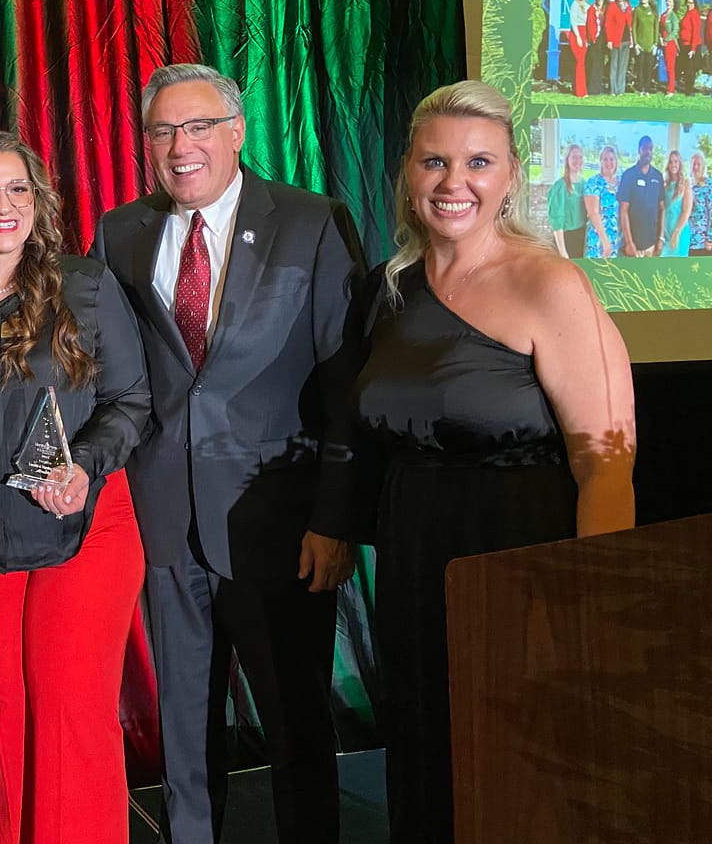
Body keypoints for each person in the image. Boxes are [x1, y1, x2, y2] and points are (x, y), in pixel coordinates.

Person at [93, 63, 368, 844]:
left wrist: (335, 519)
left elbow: (344, 380)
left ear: (237, 132)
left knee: (296, 727)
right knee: (183, 730)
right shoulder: (120, 232)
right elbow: (114, 375)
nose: (181, 146)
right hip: (164, 522)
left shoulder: (311, 222)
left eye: (199, 126)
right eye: (162, 131)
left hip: (282, 526)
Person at [356, 80, 635, 844]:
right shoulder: (394, 289)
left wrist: (592, 609)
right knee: (427, 748)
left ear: (512, 176)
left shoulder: (551, 284)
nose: (455, 182)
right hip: (415, 559)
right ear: (408, 174)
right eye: (434, 161)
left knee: (518, 766)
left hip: (518, 561)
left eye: (479, 162)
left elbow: (606, 467)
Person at [0, 131, 152, 844]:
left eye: (18, 189)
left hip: (85, 528)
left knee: (66, 707)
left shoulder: (84, 285)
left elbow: (130, 401)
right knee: (5, 712)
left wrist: (82, 468)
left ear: (39, 201)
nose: (4, 205)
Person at [617, 134, 665, 257]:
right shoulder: (629, 175)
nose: (648, 152)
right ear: (639, 150)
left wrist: (660, 238)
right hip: (633, 246)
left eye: (650, 148)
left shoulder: (657, 176)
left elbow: (662, 209)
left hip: (652, 246)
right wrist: (629, 242)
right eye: (644, 148)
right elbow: (623, 211)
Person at [547, 143, 587, 259]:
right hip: (564, 239)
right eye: (574, 157)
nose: (577, 160)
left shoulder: (584, 184)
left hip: (580, 236)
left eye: (580, 157)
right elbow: (556, 221)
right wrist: (563, 252)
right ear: (567, 160)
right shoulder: (560, 187)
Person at [583, 145, 621, 259]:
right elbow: (593, 213)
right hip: (599, 237)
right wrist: (605, 242)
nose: (609, 162)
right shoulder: (594, 182)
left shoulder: (621, 181)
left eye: (611, 159)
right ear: (600, 161)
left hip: (617, 237)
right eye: (605, 159)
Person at [661, 150, 692, 257]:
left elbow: (686, 212)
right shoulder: (664, 186)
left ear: (680, 164)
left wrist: (677, 232)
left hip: (680, 232)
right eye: (671, 162)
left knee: (679, 269)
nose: (673, 164)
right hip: (666, 234)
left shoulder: (686, 184)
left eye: (676, 161)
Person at [605, 0, 633, 97]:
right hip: (615, 40)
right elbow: (608, 24)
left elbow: (630, 23)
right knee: (614, 66)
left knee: (623, 66)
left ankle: (620, 90)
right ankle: (613, 90)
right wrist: (609, 40)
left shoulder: (628, 7)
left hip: (626, 41)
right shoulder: (612, 6)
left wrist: (632, 39)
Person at [632, 0, 658, 95]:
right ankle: (641, 88)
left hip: (650, 45)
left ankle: (647, 88)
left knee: (649, 67)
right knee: (640, 67)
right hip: (640, 45)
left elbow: (656, 28)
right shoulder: (637, 10)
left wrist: (655, 44)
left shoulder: (653, 11)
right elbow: (633, 27)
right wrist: (635, 44)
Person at [677, 0, 703, 96]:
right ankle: (687, 88)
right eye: (688, 2)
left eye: (691, 2)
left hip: (692, 46)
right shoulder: (687, 14)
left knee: (690, 70)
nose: (689, 4)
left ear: (694, 3)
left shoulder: (694, 14)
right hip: (685, 45)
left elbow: (695, 32)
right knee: (686, 68)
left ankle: (689, 91)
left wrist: (692, 49)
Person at [567, 0, 589, 98]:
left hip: (585, 34)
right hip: (577, 34)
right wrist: (578, 36)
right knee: (580, 62)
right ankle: (581, 91)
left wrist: (587, 38)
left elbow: (589, 23)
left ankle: (581, 89)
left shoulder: (588, 6)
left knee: (582, 63)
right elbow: (573, 21)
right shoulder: (574, 5)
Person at [586, 0, 608, 96]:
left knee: (600, 63)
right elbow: (589, 24)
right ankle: (592, 88)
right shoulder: (592, 8)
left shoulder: (606, 8)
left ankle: (598, 87)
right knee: (594, 63)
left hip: (604, 39)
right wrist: (592, 38)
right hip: (595, 39)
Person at [690, 152, 712, 258]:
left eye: (698, 164)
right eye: (693, 164)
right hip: (688, 242)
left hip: (704, 243)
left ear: (703, 166)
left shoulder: (709, 185)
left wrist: (710, 238)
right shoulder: (688, 185)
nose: (696, 167)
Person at [659, 0, 680, 96]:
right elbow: (660, 29)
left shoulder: (673, 16)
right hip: (663, 43)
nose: (668, 3)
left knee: (670, 67)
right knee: (666, 66)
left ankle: (671, 90)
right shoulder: (663, 14)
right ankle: (669, 86)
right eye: (667, 1)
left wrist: (666, 39)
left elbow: (675, 31)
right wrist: (660, 39)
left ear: (673, 3)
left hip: (670, 44)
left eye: (670, 1)